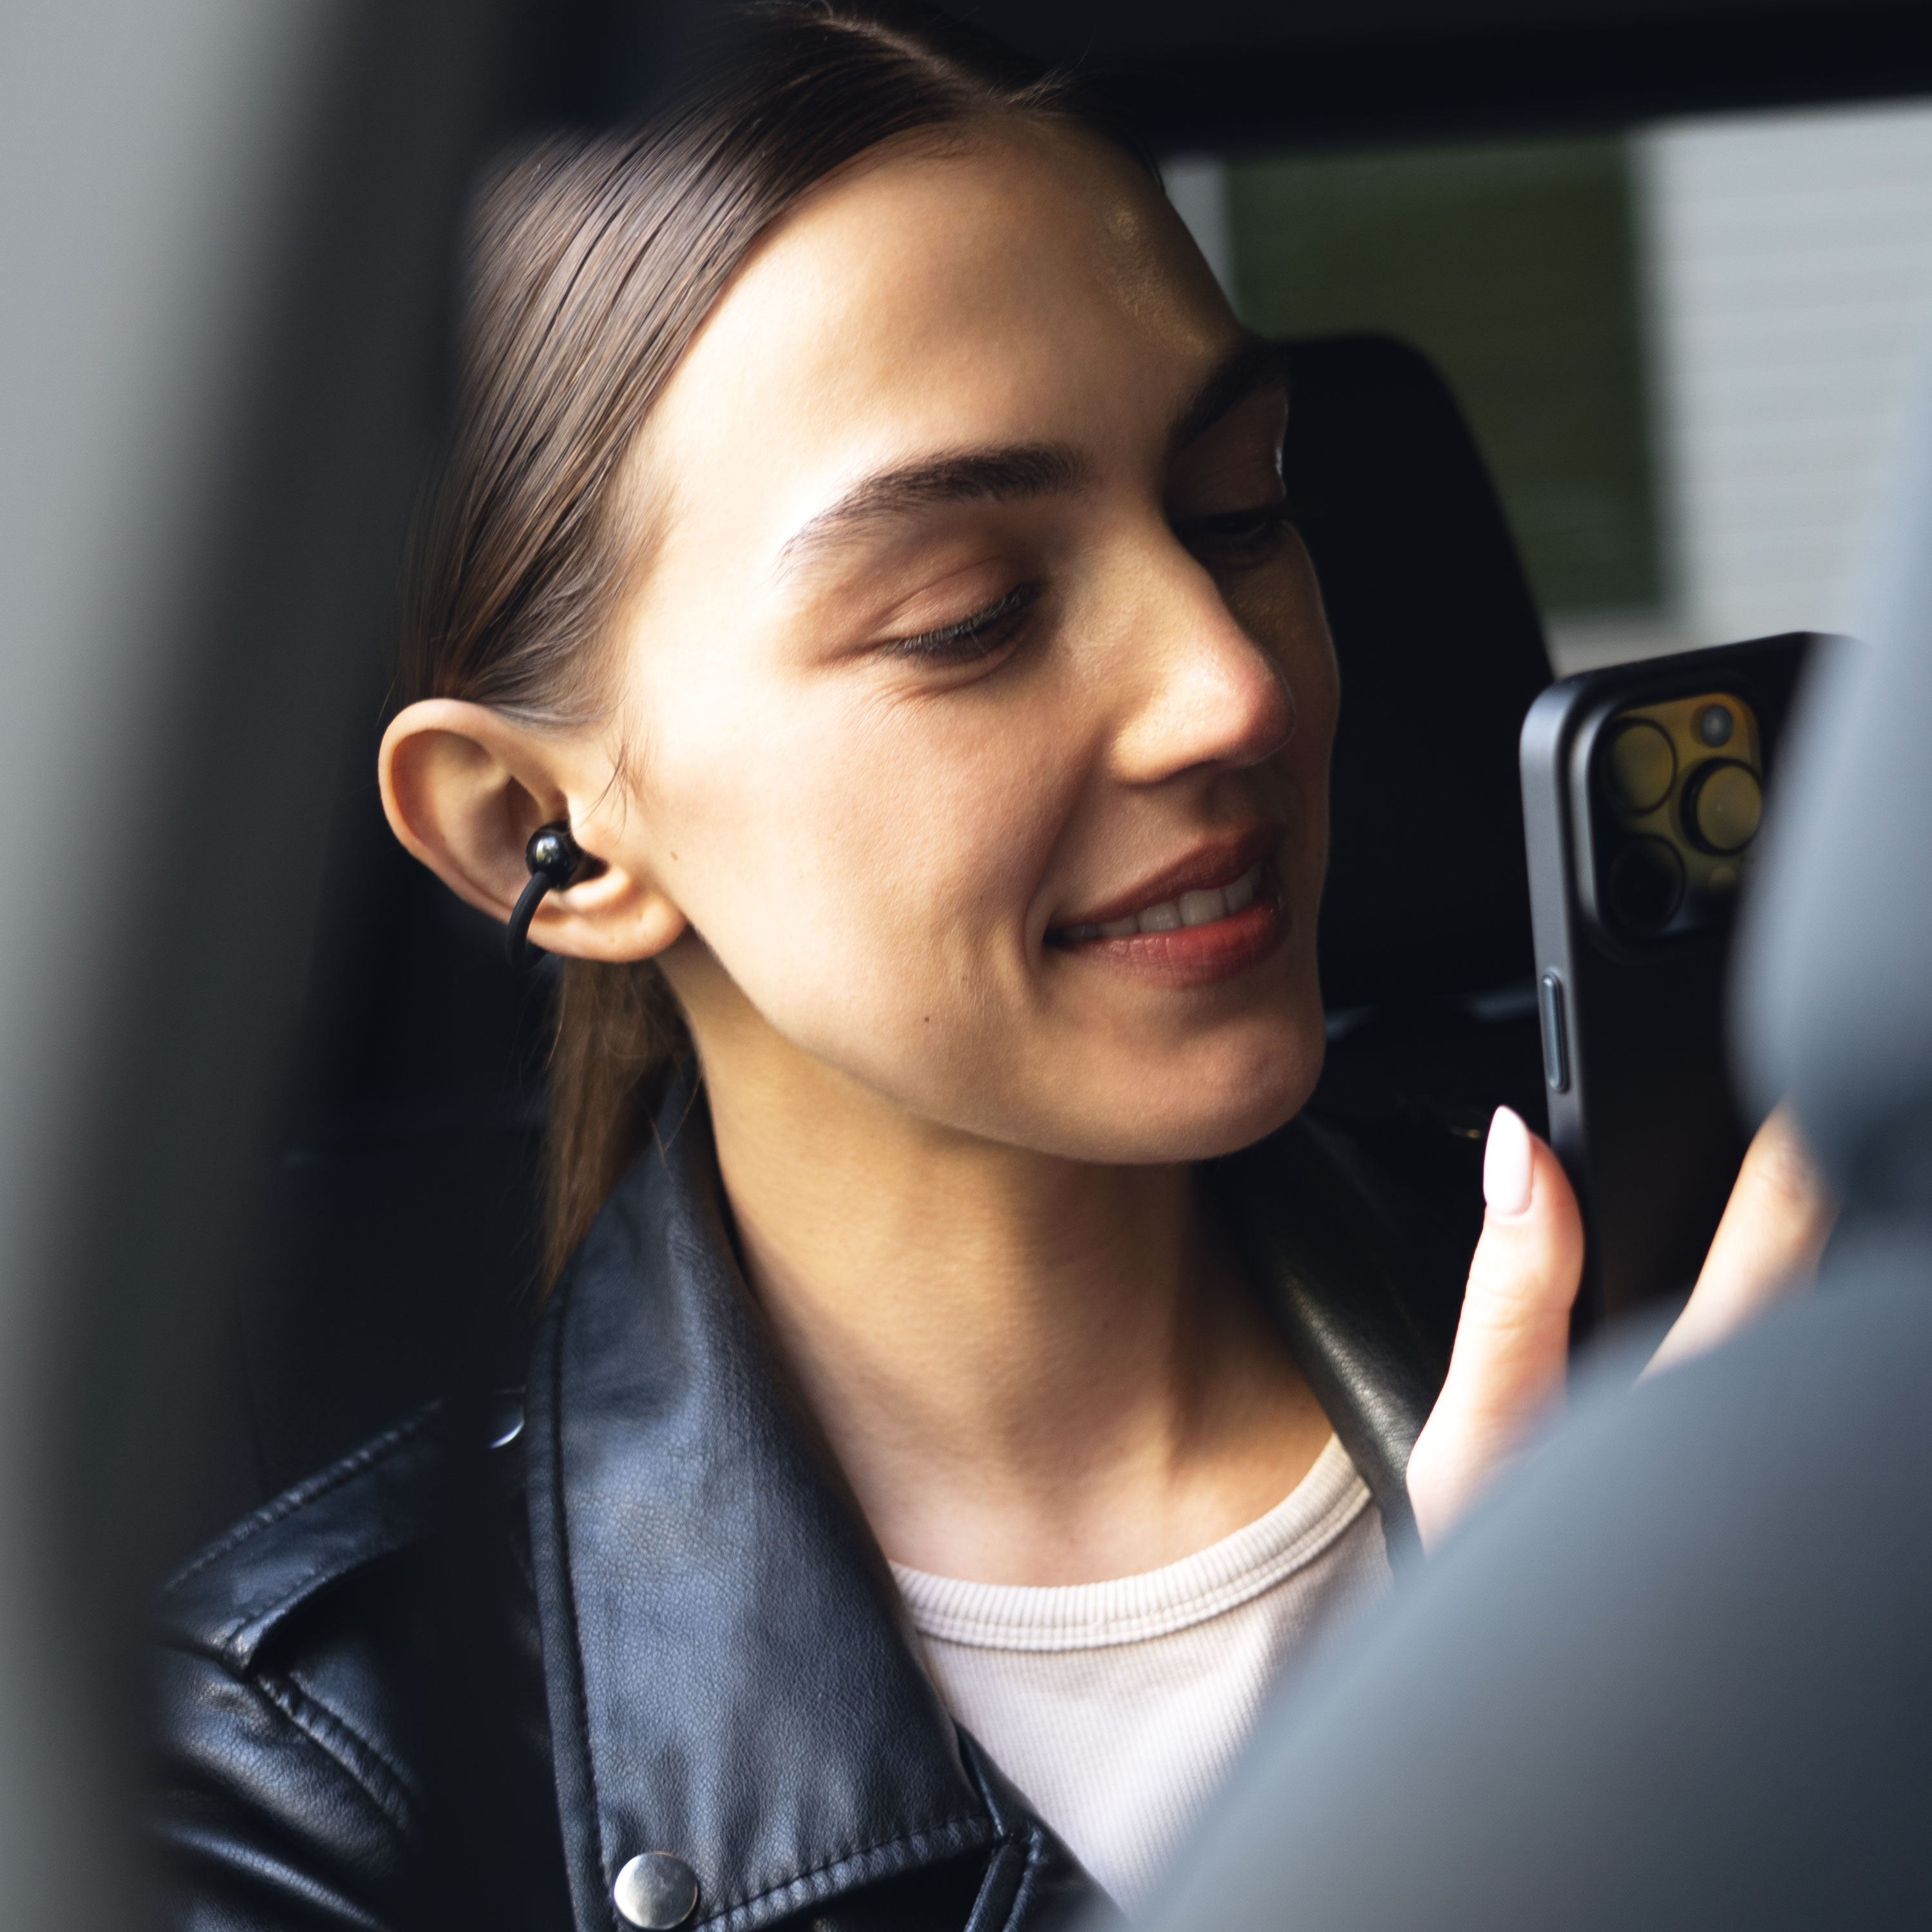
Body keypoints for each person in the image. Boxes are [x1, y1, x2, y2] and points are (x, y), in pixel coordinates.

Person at [150, 7, 1833, 1929]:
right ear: (538, 827)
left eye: (1244, 511)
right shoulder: (302, 1784)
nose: (1235, 685)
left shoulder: (1744, 1329)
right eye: (973, 616)